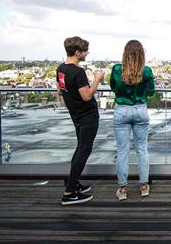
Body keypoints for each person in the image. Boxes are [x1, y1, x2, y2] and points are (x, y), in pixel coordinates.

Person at [56, 36, 103, 205]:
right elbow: (87, 96)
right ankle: (69, 192)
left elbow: (60, 91)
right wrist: (97, 80)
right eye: (85, 51)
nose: (87, 53)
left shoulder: (61, 69)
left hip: (75, 115)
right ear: (77, 52)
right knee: (84, 150)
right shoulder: (78, 72)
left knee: (79, 149)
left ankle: (74, 183)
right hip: (87, 116)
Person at [110, 40, 155, 201]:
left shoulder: (116, 69)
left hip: (122, 110)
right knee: (142, 148)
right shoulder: (147, 71)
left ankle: (122, 189)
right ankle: (143, 186)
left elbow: (114, 88)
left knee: (122, 150)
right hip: (140, 109)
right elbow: (151, 92)